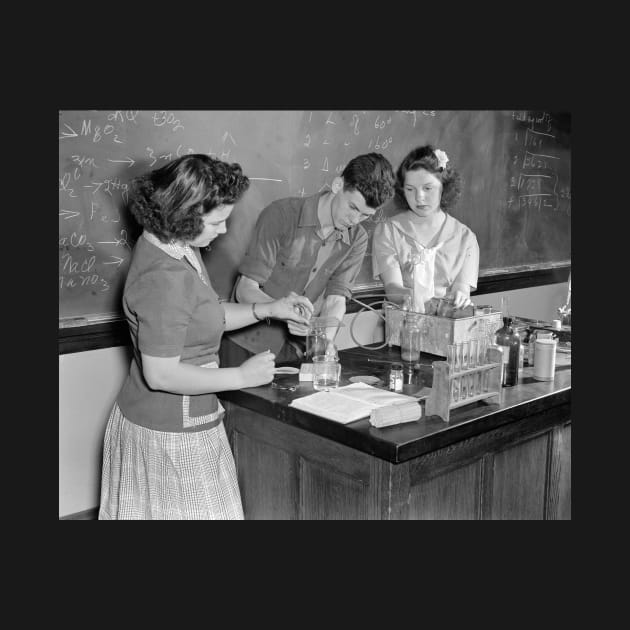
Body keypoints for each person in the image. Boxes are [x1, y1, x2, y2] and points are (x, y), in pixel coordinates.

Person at [98, 154, 313, 520]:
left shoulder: (176, 246)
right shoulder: (162, 277)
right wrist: (240, 377)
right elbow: (161, 374)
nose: (224, 231)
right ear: (184, 215)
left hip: (187, 420)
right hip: (167, 433)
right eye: (217, 221)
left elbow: (206, 315)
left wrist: (268, 308)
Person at [222, 152, 396, 365]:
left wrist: (325, 342)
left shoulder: (357, 238)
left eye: (365, 216)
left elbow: (336, 298)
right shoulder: (281, 215)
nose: (354, 220)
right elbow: (244, 290)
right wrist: (283, 311)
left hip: (298, 349)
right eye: (352, 208)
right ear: (337, 185)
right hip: (247, 343)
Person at [372, 145, 479, 313]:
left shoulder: (465, 237)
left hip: (447, 327)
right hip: (403, 327)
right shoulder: (388, 230)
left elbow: (462, 287)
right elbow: (392, 288)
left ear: (444, 187)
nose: (419, 197)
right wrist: (410, 295)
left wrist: (460, 295)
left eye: (427, 188)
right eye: (410, 189)